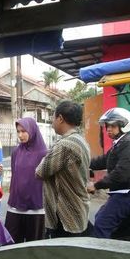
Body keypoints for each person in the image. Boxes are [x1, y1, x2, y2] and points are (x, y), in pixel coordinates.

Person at [88, 107, 130, 239]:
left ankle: (101, 256)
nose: (108, 128)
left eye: (113, 125)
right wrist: (83, 162)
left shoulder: (129, 144)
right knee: (100, 216)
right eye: (107, 125)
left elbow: (120, 174)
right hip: (124, 193)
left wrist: (95, 185)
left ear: (123, 126)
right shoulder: (119, 144)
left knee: (102, 223)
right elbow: (102, 161)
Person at [36, 101, 90, 238]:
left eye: (53, 118)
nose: (52, 122)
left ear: (60, 118)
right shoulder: (80, 140)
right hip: (77, 209)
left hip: (66, 214)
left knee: (62, 255)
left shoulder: (65, 145)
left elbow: (40, 171)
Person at [5, 117, 47, 243]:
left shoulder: (44, 153)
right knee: (11, 245)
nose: (20, 135)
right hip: (16, 206)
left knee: (33, 248)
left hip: (36, 208)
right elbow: (15, 176)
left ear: (32, 130)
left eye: (24, 131)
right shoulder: (16, 152)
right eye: (18, 131)